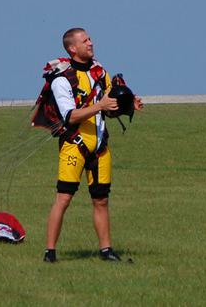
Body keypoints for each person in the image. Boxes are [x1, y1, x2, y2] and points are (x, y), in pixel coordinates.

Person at [40, 28, 143, 263]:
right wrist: (99, 106)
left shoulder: (99, 72)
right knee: (64, 198)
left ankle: (106, 251)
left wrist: (129, 102)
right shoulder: (62, 80)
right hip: (74, 146)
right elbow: (69, 116)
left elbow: (110, 99)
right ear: (72, 48)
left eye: (90, 39)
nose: (91, 42)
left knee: (101, 200)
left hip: (100, 147)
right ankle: (50, 252)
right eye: (85, 40)